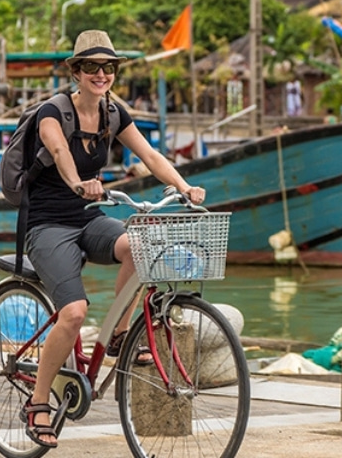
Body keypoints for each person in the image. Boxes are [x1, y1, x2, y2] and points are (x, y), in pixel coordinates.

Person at [21, 30, 206, 448]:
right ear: (76, 71)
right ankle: (37, 403)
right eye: (91, 67)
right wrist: (77, 183)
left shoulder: (112, 113)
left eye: (108, 67)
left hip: (89, 218)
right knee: (72, 313)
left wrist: (184, 186)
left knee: (141, 246)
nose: (101, 74)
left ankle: (121, 334)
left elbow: (151, 155)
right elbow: (61, 153)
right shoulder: (53, 112)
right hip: (48, 225)